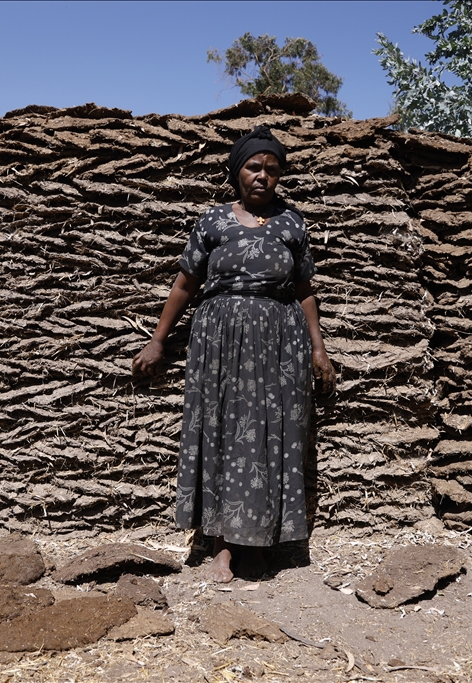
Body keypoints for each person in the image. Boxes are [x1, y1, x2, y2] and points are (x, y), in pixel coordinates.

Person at [132, 125, 335, 582]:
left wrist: (318, 348)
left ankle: (260, 546)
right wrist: (158, 339)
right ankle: (221, 545)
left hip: (278, 342)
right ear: (236, 171)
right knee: (222, 430)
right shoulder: (213, 222)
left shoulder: (291, 223)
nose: (263, 176)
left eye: (272, 169)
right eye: (253, 167)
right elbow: (185, 283)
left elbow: (304, 291)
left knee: (272, 436)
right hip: (219, 341)